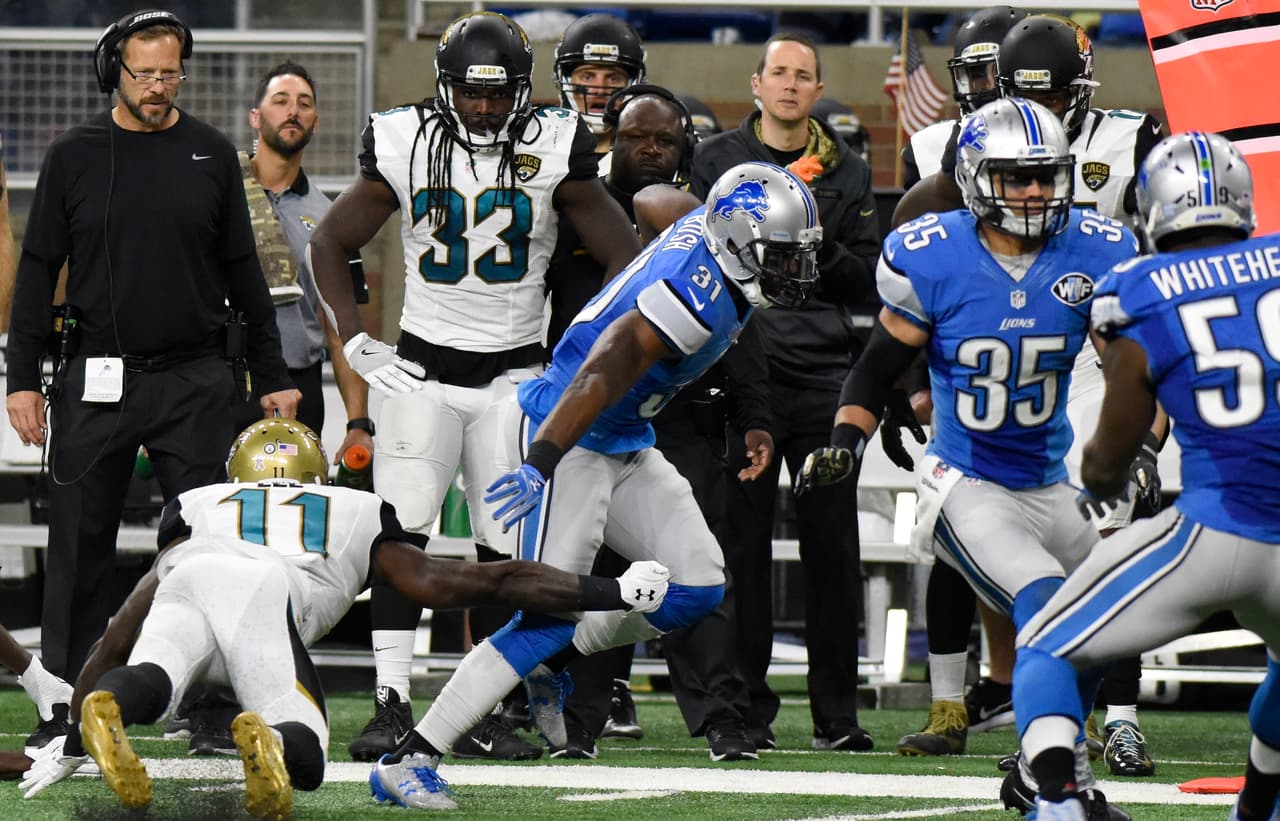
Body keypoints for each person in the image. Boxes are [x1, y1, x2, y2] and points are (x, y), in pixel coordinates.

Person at [364, 161, 823, 809]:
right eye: (779, 255)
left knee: (697, 587)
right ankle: (411, 757)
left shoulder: (705, 229)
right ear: (738, 241)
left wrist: (668, 241)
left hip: (626, 437)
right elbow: (601, 372)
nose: (791, 271)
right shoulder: (692, 300)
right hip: (570, 433)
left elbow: (655, 199)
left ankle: (550, 663)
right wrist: (541, 461)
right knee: (545, 614)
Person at [16, 418, 669, 814]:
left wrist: (71, 736)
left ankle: (109, 707)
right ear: (318, 474)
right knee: (307, 754)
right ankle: (272, 740)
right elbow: (460, 583)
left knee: (152, 673)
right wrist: (609, 589)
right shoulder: (352, 511)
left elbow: (118, 631)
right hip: (264, 592)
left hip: (190, 573)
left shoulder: (200, 504)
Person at [307, 10, 642, 763]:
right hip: (420, 373)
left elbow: (626, 257)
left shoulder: (556, 142)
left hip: (514, 379)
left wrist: (584, 352)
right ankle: (391, 703)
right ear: (445, 87)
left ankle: (484, 710)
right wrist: (355, 339)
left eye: (498, 94)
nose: (485, 108)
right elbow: (329, 240)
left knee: (503, 550)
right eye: (471, 93)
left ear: (523, 90)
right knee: (401, 535)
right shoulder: (404, 138)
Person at [794, 97, 1136, 819]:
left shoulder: (1095, 251)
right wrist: (845, 443)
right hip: (966, 481)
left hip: (1050, 482)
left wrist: (1140, 446)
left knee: (1109, 619)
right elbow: (874, 369)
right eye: (1017, 177)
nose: (1036, 192)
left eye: (1046, 176)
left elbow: (1129, 368)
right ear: (978, 179)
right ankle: (1060, 787)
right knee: (1047, 603)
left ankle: (1038, 767)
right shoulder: (936, 255)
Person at [4, 9, 297, 741]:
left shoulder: (210, 154)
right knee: (77, 551)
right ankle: (65, 708)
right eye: (145, 74)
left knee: (209, 550)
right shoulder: (73, 155)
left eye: (171, 73)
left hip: (196, 379)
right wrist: (20, 377)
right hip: (94, 376)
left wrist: (272, 371)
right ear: (116, 72)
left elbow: (245, 273)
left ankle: (210, 709)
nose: (159, 87)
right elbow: (37, 272)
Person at [887, 15, 1168, 776]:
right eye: (1024, 94)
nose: (1040, 111)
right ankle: (957, 701)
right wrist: (908, 380)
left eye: (1053, 96)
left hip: (1089, 354)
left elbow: (1164, 250)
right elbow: (916, 265)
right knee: (970, 528)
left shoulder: (1128, 140)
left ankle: (1117, 718)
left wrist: (1150, 414)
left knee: (1112, 534)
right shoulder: (960, 144)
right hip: (986, 354)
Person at [1008, 132, 1278, 821]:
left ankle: (1060, 802)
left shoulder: (1139, 289)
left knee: (1044, 647)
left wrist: (1100, 486)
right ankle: (1259, 805)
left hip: (1212, 531)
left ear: (1154, 210)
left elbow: (1109, 455)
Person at [547, 87, 770, 762]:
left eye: (664, 140)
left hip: (673, 416)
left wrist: (753, 414)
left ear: (685, 149)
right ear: (609, 139)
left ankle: (721, 713)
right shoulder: (572, 204)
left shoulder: (709, 226)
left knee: (698, 563)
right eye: (636, 136)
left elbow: (738, 328)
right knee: (587, 567)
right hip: (582, 413)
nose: (649, 149)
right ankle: (578, 715)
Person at [688, 31, 882, 752]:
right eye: (780, 73)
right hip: (742, 377)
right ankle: (746, 711)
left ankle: (837, 715)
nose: (791, 84)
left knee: (833, 550)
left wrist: (809, 235)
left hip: (825, 377)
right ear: (757, 83)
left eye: (804, 75)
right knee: (741, 551)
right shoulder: (716, 160)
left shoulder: (847, 168)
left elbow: (869, 279)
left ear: (817, 88)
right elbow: (692, 256)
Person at [552, 13, 647, 155]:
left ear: (633, 83)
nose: (600, 89)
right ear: (565, 80)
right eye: (588, 77)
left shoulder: (649, 153)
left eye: (614, 78)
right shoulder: (539, 146)